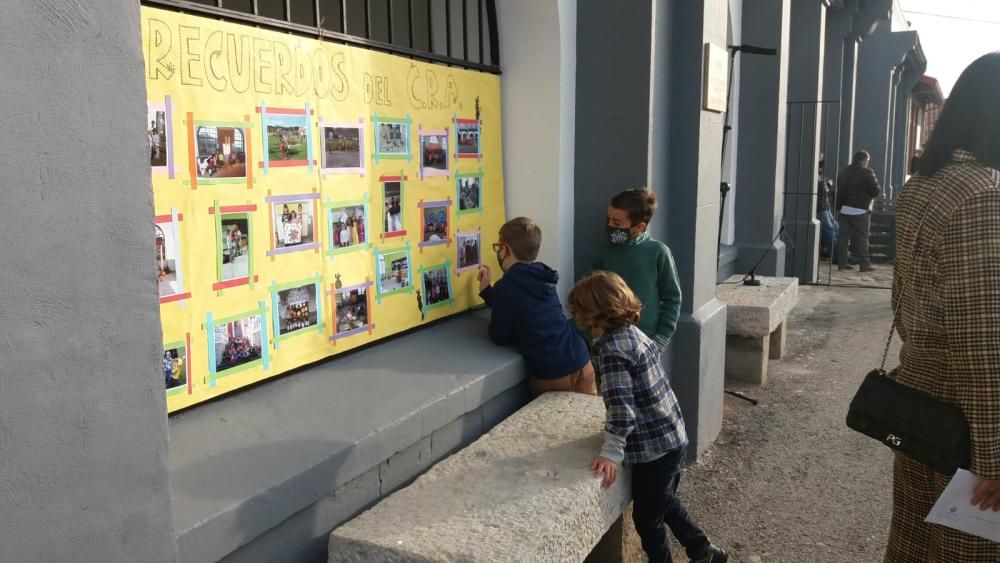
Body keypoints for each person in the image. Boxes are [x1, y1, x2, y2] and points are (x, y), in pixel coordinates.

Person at [885, 52, 1000, 562]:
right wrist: (994, 458)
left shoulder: (924, 185)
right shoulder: (984, 197)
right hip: (966, 421)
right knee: (965, 551)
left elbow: (901, 302)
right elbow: (982, 346)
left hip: (920, 400)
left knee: (914, 543)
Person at [568, 271, 728, 563]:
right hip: (670, 437)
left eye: (578, 310)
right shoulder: (631, 334)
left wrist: (611, 452)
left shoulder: (614, 351)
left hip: (654, 449)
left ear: (595, 313)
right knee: (664, 503)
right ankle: (705, 552)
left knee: (647, 519)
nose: (575, 315)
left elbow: (621, 408)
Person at [478, 217, 596, 396]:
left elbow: (499, 336)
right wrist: (488, 291)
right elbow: (525, 303)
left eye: (498, 247)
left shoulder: (507, 287)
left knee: (554, 423)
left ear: (505, 250)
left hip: (552, 373)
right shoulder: (542, 276)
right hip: (581, 360)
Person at [592, 187, 682, 351]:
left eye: (617, 223)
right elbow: (593, 295)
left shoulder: (658, 252)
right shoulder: (604, 253)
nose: (610, 225)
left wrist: (661, 338)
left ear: (639, 227)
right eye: (609, 220)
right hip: (608, 340)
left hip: (646, 341)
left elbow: (672, 298)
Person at [835, 150, 881, 272]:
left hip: (844, 209)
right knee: (862, 238)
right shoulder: (867, 172)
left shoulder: (844, 171)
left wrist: (839, 207)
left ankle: (842, 263)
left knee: (844, 239)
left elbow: (839, 191)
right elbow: (876, 191)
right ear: (866, 160)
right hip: (860, 210)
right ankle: (864, 264)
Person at [816, 154, 839, 259]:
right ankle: (837, 255)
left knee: (836, 227)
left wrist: (827, 182)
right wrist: (826, 184)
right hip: (819, 206)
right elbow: (822, 187)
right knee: (829, 230)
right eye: (820, 155)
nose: (822, 156)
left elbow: (825, 182)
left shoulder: (819, 170)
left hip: (824, 205)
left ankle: (837, 252)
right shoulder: (814, 170)